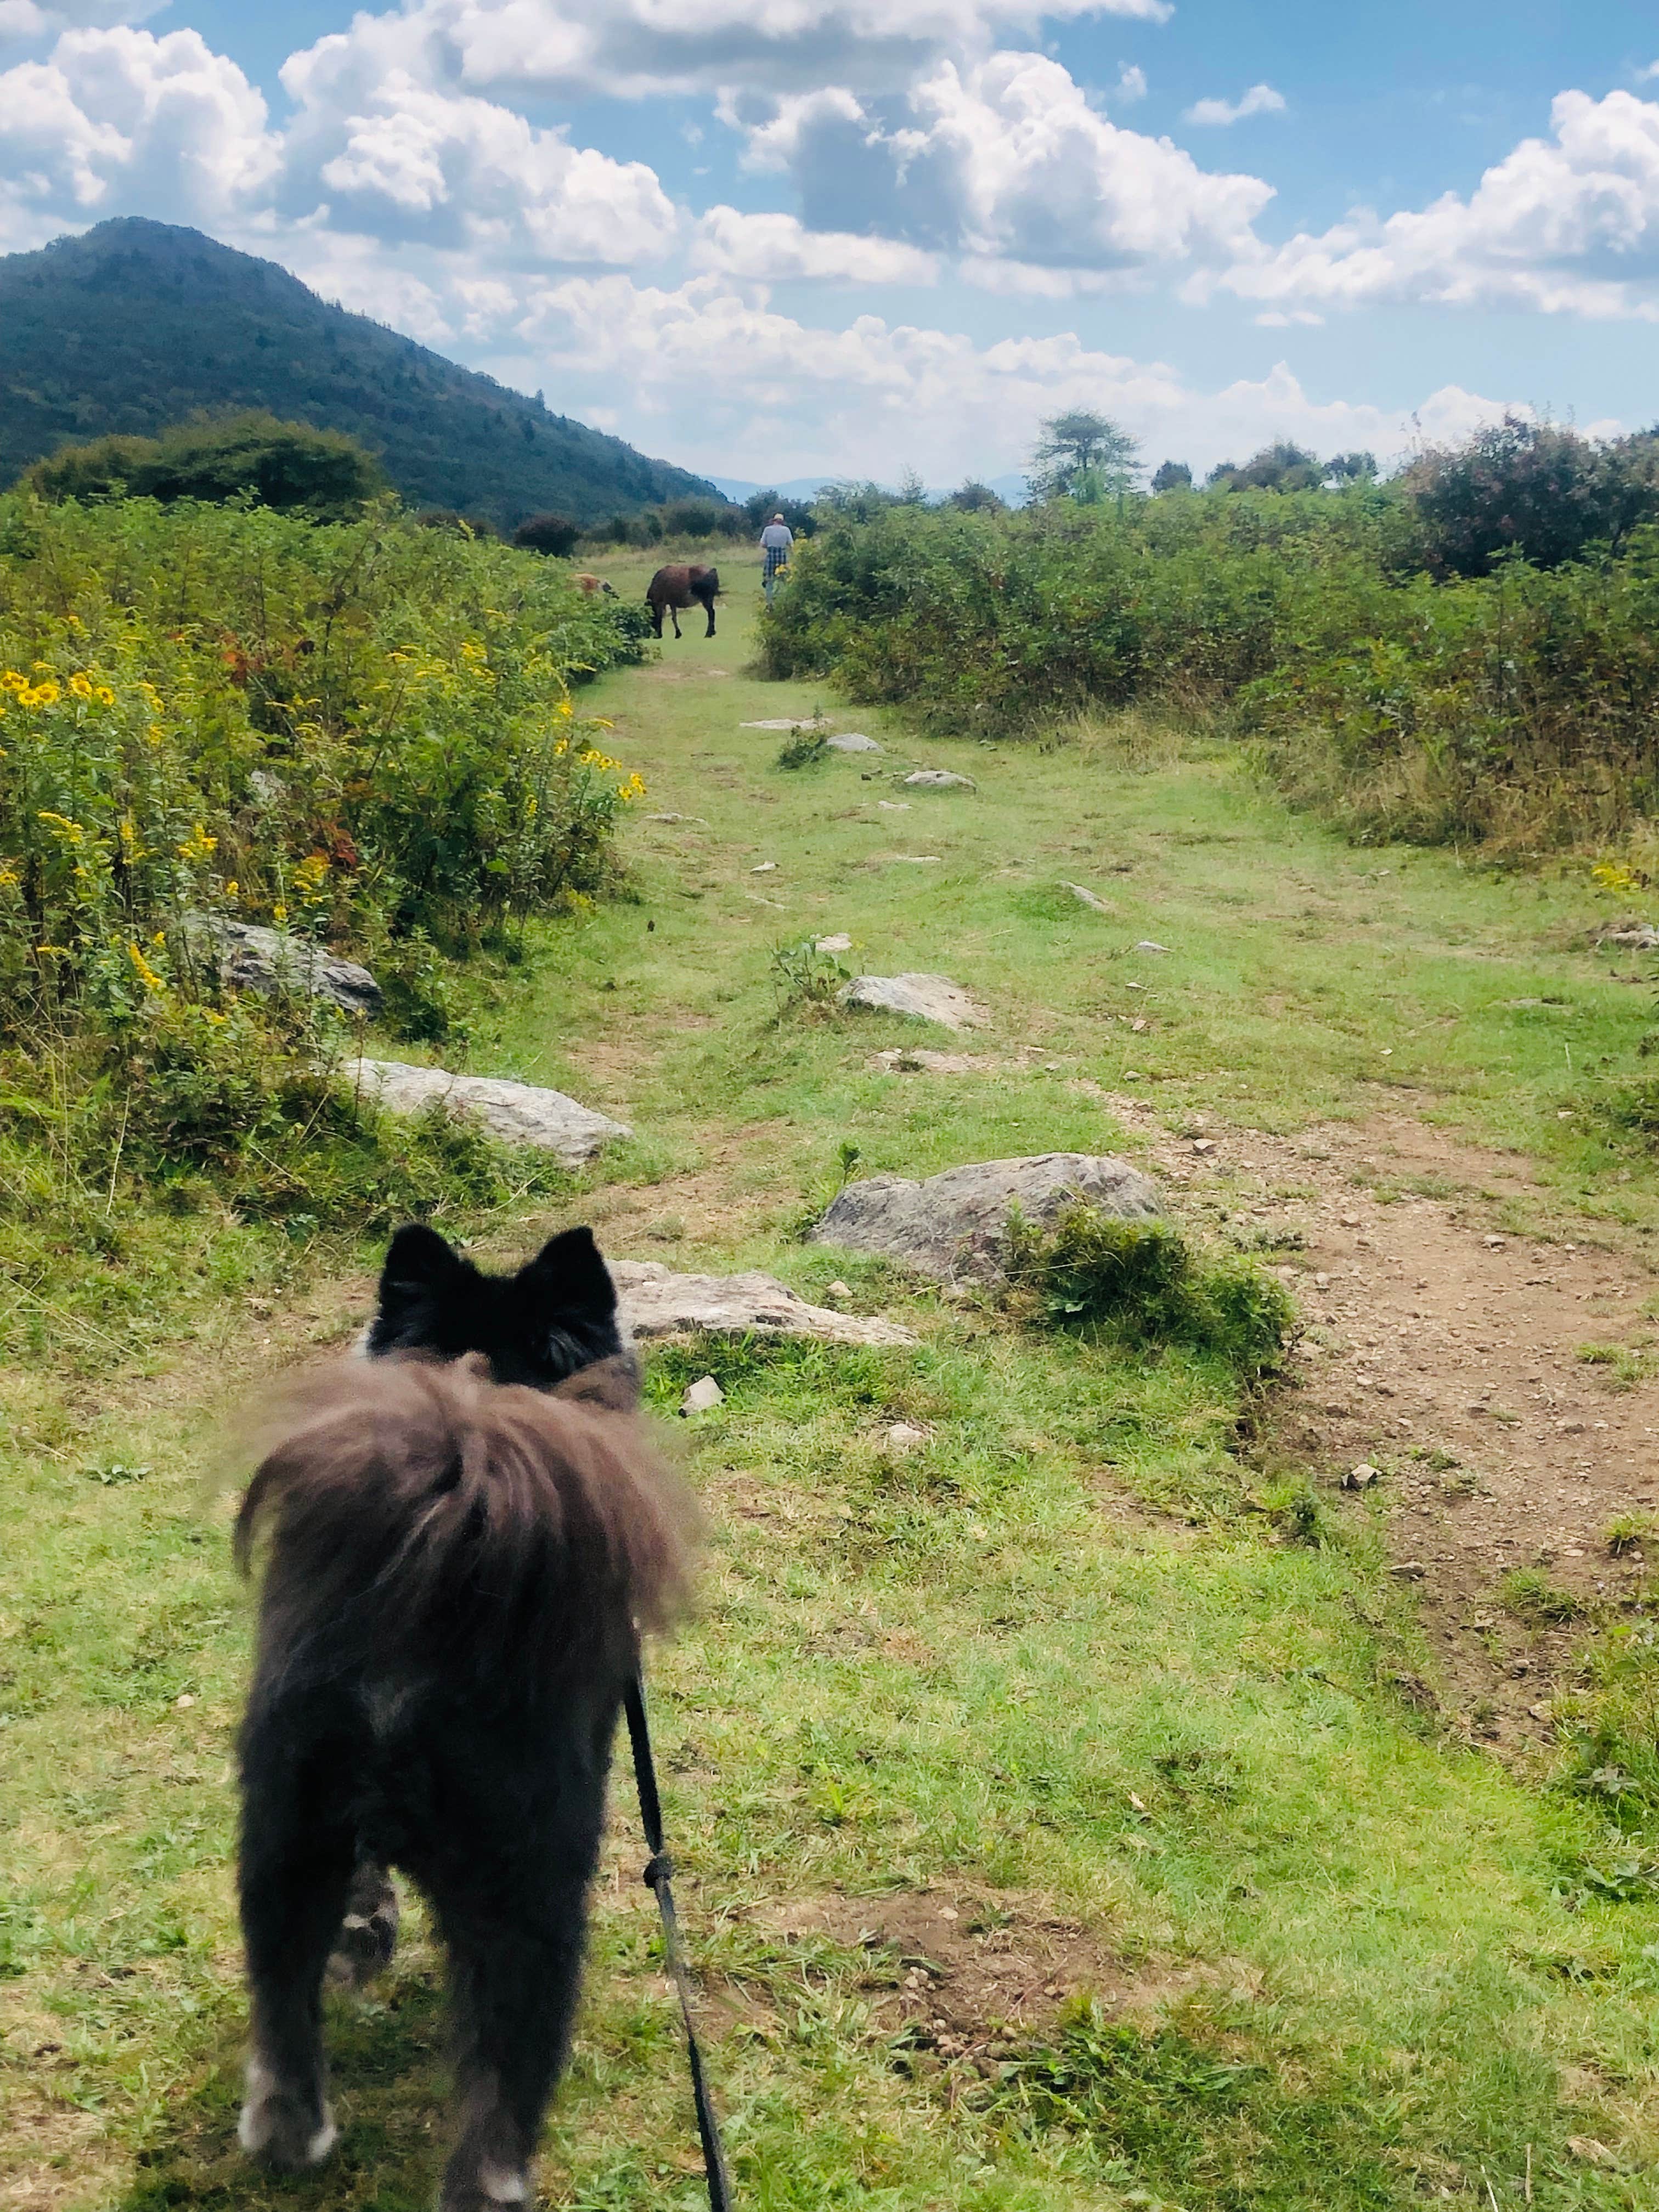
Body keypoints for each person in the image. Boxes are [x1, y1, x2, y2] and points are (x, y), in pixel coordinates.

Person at [759, 511, 793, 604]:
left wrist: (770, 547)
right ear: (782, 521)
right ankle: (783, 601)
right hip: (782, 555)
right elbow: (790, 544)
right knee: (783, 579)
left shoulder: (767, 529)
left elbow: (763, 544)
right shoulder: (786, 530)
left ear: (774, 521)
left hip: (771, 555)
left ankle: (769, 602)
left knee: (769, 580)